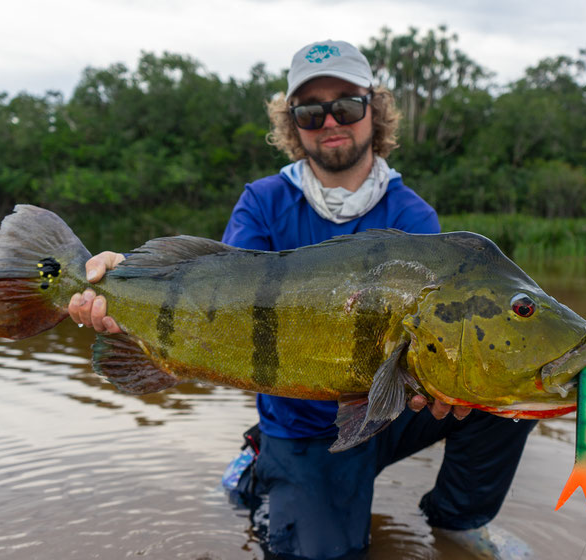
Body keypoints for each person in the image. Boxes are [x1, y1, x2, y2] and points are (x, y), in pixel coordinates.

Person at [69, 40, 536, 560]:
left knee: (512, 387)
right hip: (301, 426)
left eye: (347, 105)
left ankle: (459, 523)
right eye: (311, 111)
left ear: (373, 111)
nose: (330, 120)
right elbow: (222, 295)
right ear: (293, 124)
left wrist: (445, 377)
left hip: (388, 407)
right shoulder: (264, 201)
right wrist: (123, 283)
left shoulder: (414, 216)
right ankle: (262, 466)